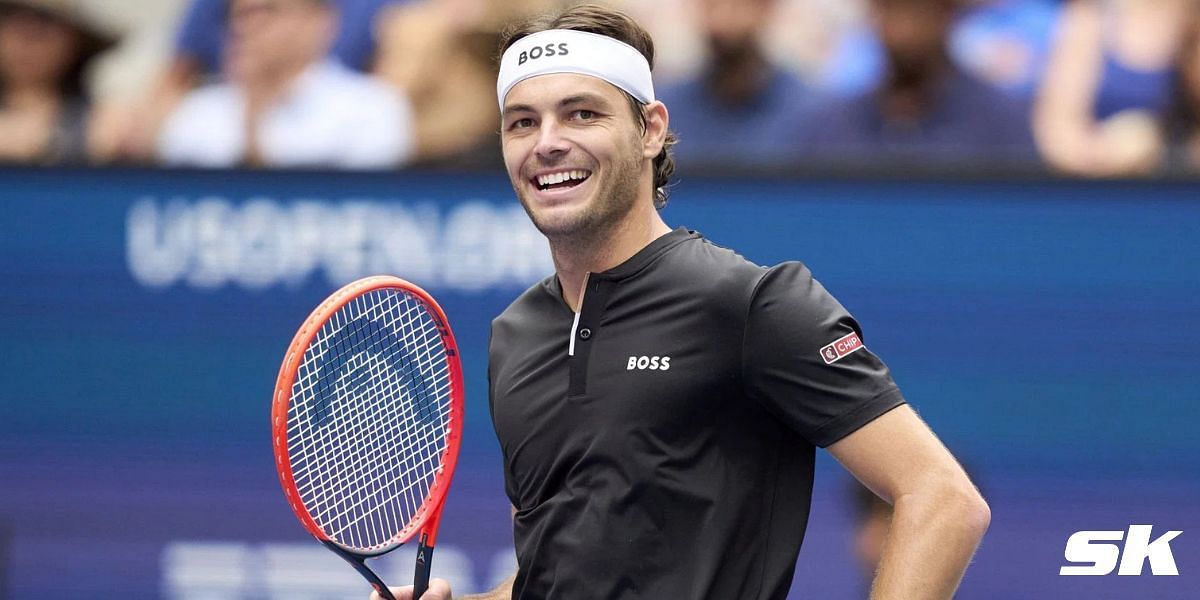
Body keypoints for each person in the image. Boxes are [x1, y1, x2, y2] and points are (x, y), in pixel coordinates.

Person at [375, 4, 990, 599]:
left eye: (583, 114)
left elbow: (942, 498)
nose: (548, 143)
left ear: (650, 130)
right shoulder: (516, 333)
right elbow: (557, 565)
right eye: (522, 122)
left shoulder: (752, 302)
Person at [157, 0, 414, 169]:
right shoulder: (198, 111)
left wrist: (254, 133)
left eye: (266, 11)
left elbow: (359, 209)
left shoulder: (371, 108)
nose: (245, 27)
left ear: (320, 22)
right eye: (236, 15)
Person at [798, 0, 1036, 166]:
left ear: (946, 14)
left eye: (919, 11)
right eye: (891, 10)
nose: (905, 30)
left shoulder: (1002, 123)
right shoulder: (831, 126)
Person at [1033, 0, 1192, 176]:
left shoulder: (1191, 19)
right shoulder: (1092, 16)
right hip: (1101, 188)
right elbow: (1058, 133)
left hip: (1180, 190)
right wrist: (1110, 153)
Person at [654, 0, 814, 167]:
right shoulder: (666, 111)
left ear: (766, 7)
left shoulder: (810, 114)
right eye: (711, 5)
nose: (722, 20)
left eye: (738, 4)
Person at [0, 0, 115, 164]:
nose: (26, 41)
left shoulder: (102, 123)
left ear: (74, 40)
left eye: (44, 24)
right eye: (12, 19)